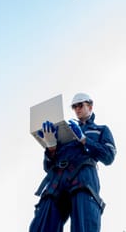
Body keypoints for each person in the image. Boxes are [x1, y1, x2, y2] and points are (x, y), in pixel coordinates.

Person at [29, 92, 116, 232]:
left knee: (84, 225)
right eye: (74, 107)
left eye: (80, 105)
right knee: (42, 225)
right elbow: (48, 167)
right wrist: (51, 146)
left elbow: (108, 156)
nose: (77, 109)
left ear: (90, 106)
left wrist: (84, 139)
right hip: (57, 180)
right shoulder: (65, 131)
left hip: (83, 178)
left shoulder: (101, 130)